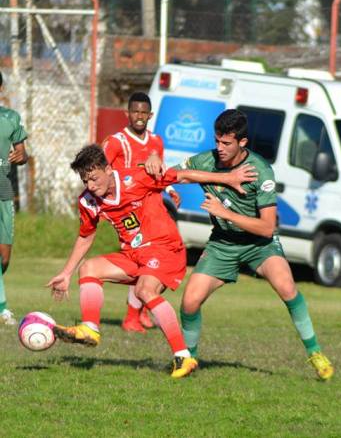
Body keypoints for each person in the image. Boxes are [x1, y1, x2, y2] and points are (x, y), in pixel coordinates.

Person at [46, 144, 256, 379]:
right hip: (134, 255)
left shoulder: (137, 177)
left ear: (108, 169)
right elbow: (86, 236)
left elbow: (183, 176)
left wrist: (228, 178)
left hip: (164, 248)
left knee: (144, 290)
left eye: (94, 178)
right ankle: (90, 329)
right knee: (89, 268)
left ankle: (183, 356)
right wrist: (66, 273)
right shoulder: (88, 201)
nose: (91, 186)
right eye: (86, 181)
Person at [177, 109, 334, 380]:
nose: (220, 148)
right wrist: (222, 178)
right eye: (217, 141)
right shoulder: (208, 160)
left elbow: (267, 227)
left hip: (259, 244)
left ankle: (315, 353)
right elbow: (173, 174)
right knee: (190, 302)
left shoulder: (260, 171)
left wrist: (225, 213)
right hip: (223, 243)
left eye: (226, 143)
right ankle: (188, 359)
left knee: (287, 288)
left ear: (243, 142)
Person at [102, 91, 181, 333]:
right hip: (129, 211)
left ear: (150, 115)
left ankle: (141, 311)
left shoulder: (156, 141)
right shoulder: (116, 142)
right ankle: (131, 317)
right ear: (127, 113)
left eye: (143, 112)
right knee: (142, 257)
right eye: (135, 111)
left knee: (152, 259)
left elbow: (158, 172)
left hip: (153, 207)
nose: (139, 116)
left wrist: (169, 188)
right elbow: (100, 171)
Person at [0, 71, 28, 325]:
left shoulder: (10, 118)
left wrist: (21, 156)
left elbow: (22, 153)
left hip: (4, 192)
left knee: (4, 257)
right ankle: (2, 308)